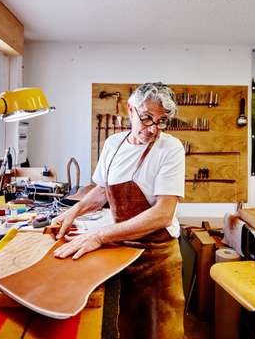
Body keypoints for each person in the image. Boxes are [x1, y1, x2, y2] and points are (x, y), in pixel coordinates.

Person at [53, 82, 185, 339]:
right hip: (121, 250)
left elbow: (163, 214)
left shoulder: (170, 149)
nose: (153, 129)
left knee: (161, 331)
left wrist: (100, 236)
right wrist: (73, 212)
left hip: (157, 257)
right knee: (123, 326)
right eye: (147, 118)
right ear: (130, 110)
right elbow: (102, 190)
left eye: (162, 121)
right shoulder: (113, 144)